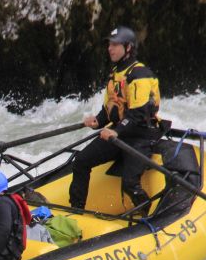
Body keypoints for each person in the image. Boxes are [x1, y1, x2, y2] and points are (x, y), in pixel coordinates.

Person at [69, 25, 162, 215]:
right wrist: (98, 120)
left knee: (129, 183)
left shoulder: (140, 74)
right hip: (120, 134)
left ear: (128, 47)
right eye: (109, 44)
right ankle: (75, 211)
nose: (110, 49)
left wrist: (116, 131)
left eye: (115, 45)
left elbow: (138, 114)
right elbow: (111, 107)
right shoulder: (115, 73)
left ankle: (148, 215)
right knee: (80, 161)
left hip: (141, 136)